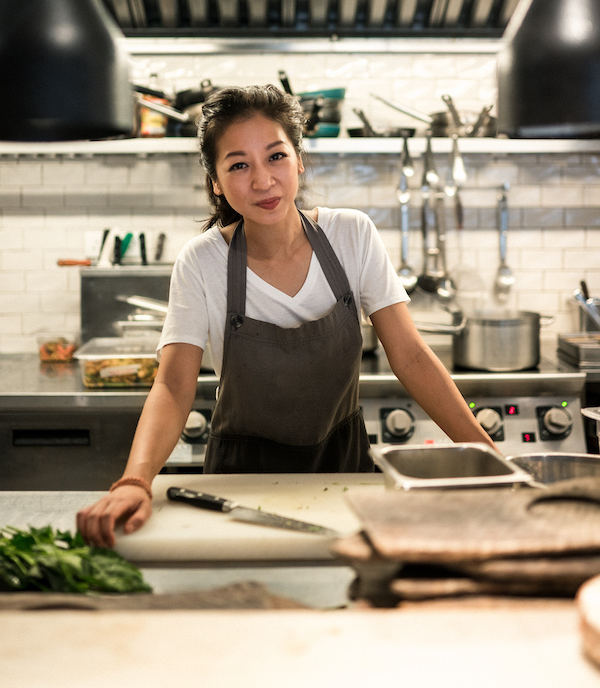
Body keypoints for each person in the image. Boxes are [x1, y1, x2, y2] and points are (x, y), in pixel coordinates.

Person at [77, 83, 495, 548]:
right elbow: (174, 386)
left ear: (298, 158)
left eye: (275, 156)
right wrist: (135, 481)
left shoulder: (351, 235)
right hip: (239, 485)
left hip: (346, 474)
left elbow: (412, 356)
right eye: (239, 165)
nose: (262, 180)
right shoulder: (202, 261)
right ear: (215, 182)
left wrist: (490, 457)